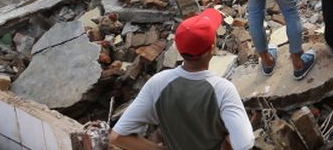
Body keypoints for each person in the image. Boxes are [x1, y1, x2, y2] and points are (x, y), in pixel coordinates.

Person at [108, 8, 254, 150]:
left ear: (178, 48)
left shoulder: (158, 83)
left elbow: (117, 137)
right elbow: (244, 144)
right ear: (213, 48)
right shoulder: (222, 89)